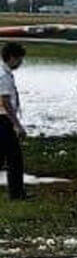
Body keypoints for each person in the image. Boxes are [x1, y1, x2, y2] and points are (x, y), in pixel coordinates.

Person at [0, 42, 28, 200]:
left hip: (3, 119)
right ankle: (16, 193)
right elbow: (5, 101)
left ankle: (16, 192)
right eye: (19, 59)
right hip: (3, 120)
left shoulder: (3, 72)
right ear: (11, 57)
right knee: (14, 158)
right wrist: (17, 125)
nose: (20, 63)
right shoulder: (3, 76)